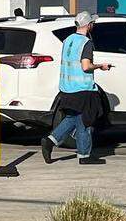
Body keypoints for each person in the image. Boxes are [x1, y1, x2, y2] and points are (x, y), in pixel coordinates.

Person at [42, 11, 111, 165]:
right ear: (89, 25)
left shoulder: (68, 40)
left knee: (73, 118)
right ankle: (84, 156)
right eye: (93, 23)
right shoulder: (86, 42)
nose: (93, 25)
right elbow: (86, 66)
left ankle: (50, 141)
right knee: (85, 120)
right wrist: (101, 66)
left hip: (67, 88)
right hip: (82, 89)